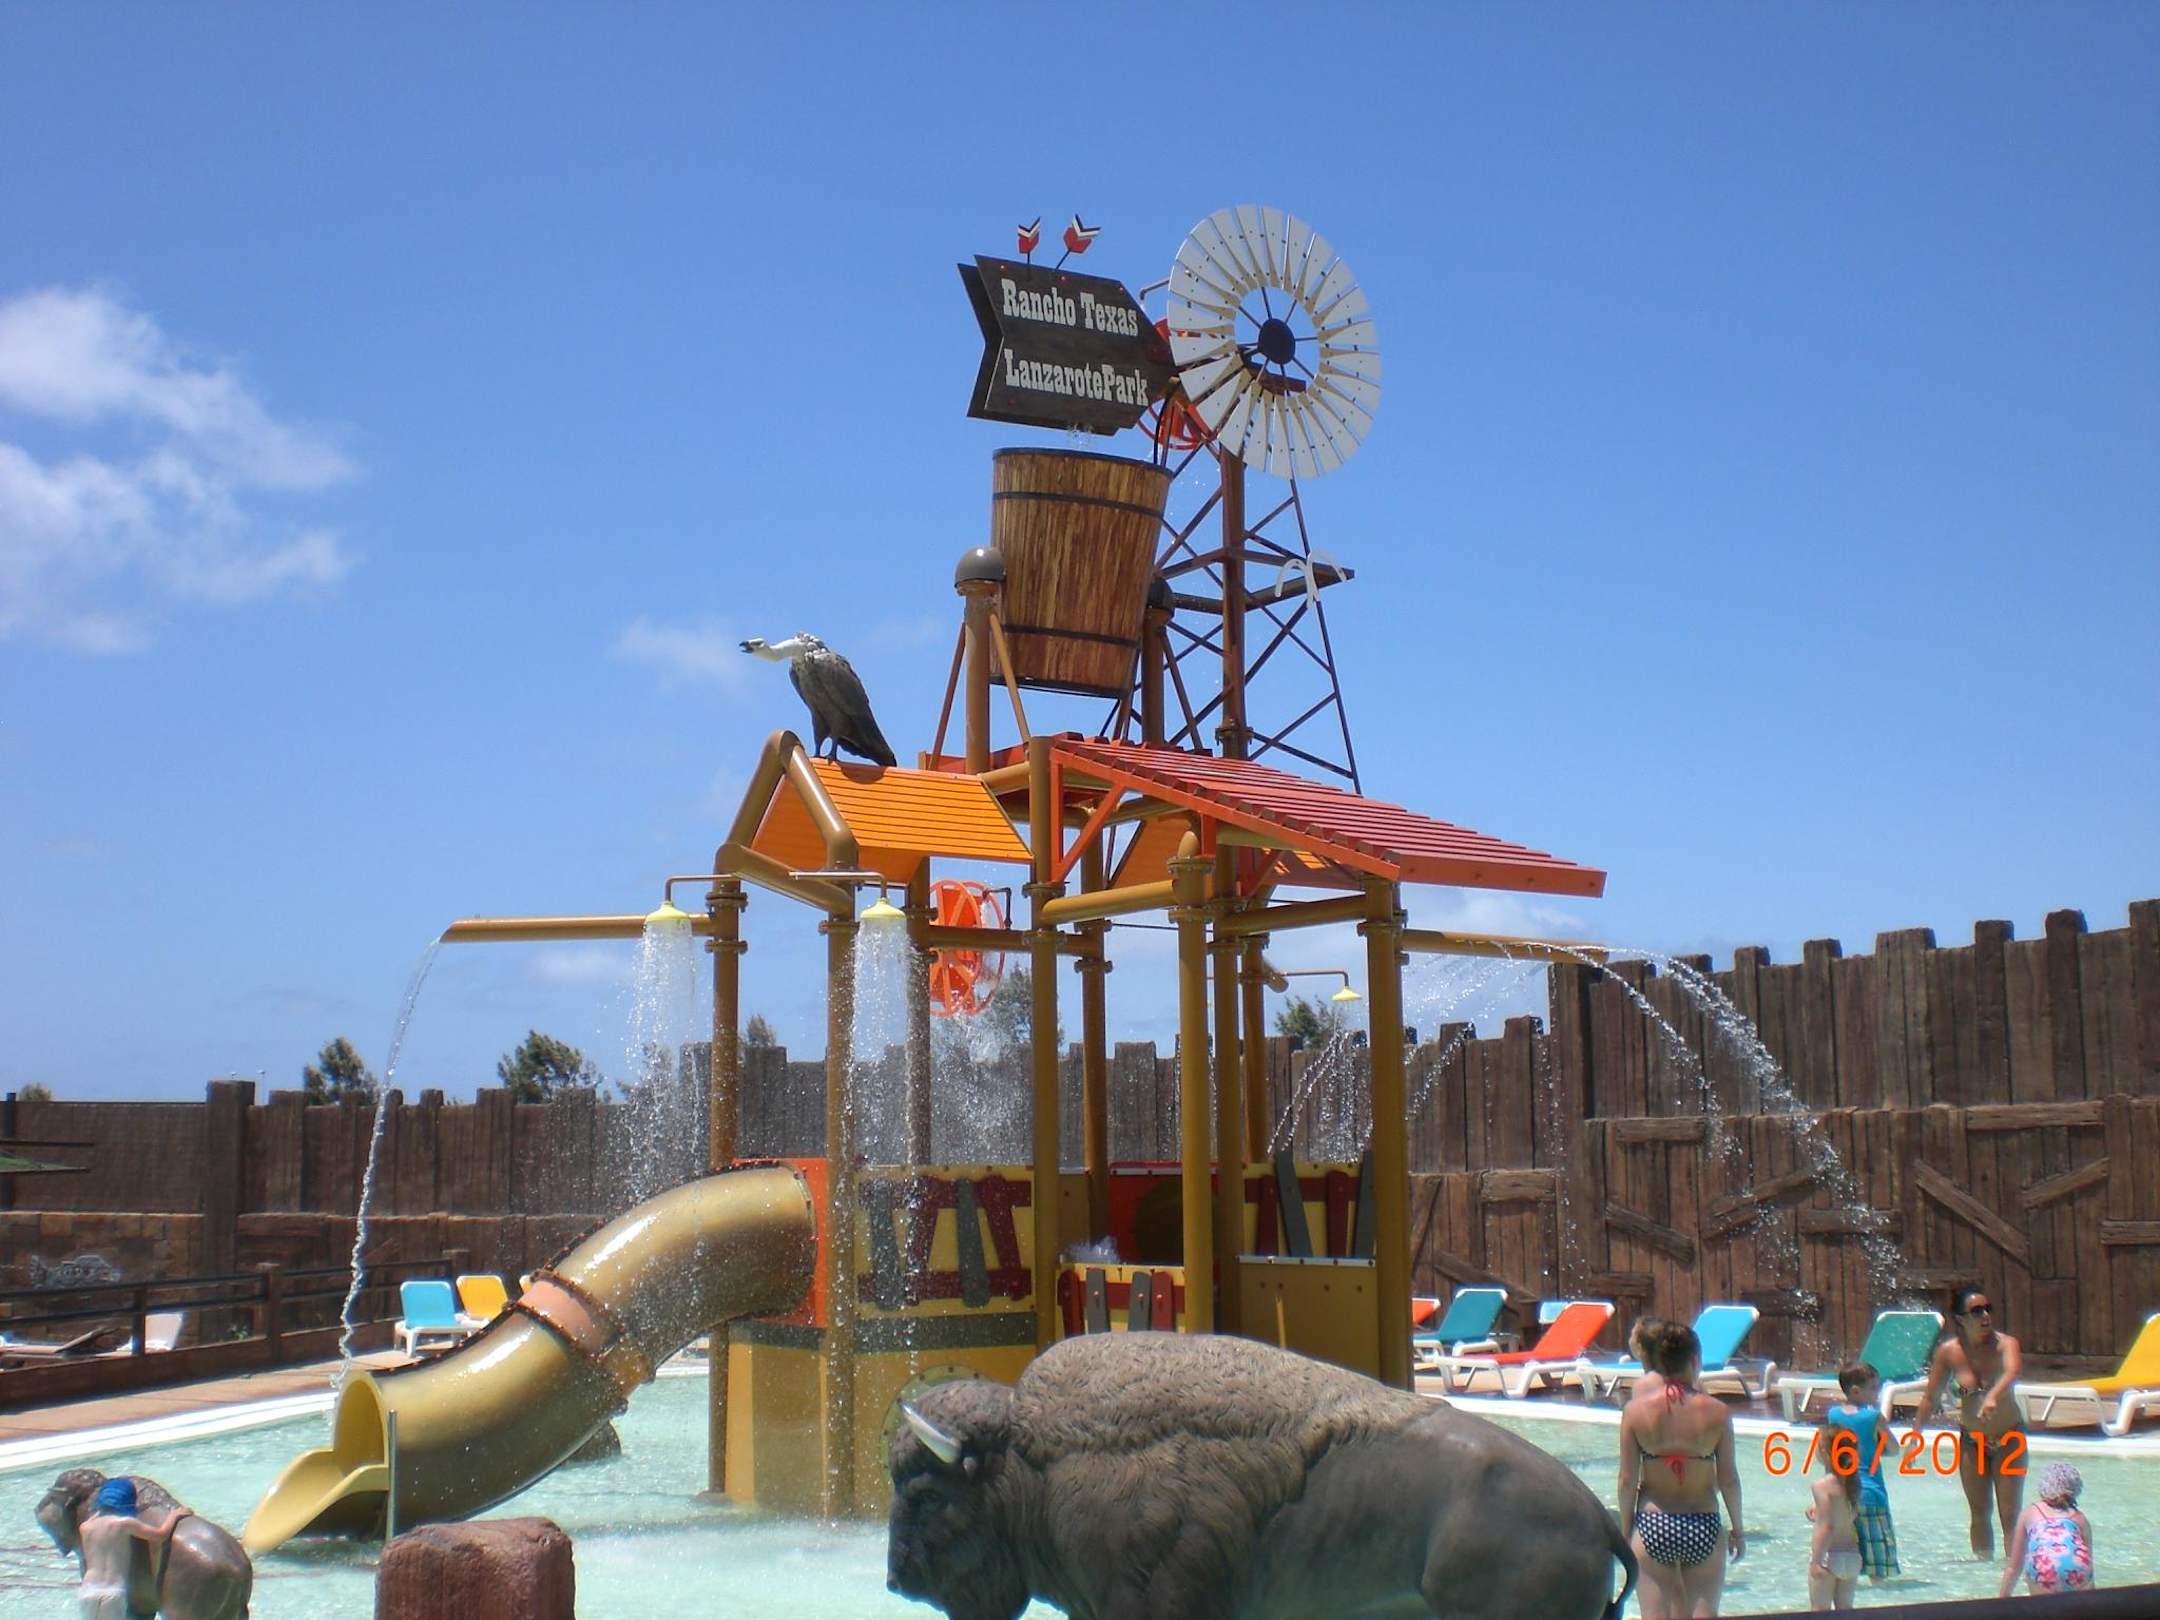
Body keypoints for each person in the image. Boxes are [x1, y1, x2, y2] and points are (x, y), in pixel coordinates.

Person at [1618, 1318, 1744, 1619]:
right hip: (1703, 1523)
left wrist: (1625, 1530)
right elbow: (1729, 1480)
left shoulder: (1635, 1412)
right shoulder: (1718, 1412)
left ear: (1658, 1361)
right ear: (1695, 1360)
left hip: (1653, 1523)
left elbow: (1626, 1480)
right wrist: (1738, 1530)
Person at [1913, 1286, 2025, 1558]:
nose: (1985, 1315)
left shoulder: (2006, 1344)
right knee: (1979, 1511)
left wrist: (1993, 1396)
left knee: (2010, 1514)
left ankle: (2013, 1570)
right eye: (1977, 1311)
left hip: (2009, 1437)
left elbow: (2012, 1372)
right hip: (1972, 1441)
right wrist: (1915, 1437)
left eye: (1988, 1309)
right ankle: (1984, 1572)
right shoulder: (1948, 1352)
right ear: (1961, 1318)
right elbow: (1930, 1397)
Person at [1820, 1362, 1899, 1582]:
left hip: (1842, 1493)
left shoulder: (1833, 1415)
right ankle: (1878, 1593)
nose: (1878, 1392)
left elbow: (1828, 1455)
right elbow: (1894, 1449)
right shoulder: (1873, 1417)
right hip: (1871, 1493)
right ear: (1855, 1391)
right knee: (1877, 1559)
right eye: (1874, 1387)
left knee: (1847, 1551)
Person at [76, 1477, 183, 1620]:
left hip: (88, 1591)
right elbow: (160, 1535)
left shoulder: (85, 1527)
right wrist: (174, 1515)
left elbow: (95, 1515)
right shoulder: (124, 1524)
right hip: (112, 1592)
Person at [2001, 1463, 2093, 1596]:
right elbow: (2088, 1560)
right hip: (2078, 1569)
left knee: (2040, 1605)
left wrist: (2001, 1600)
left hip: (2045, 1567)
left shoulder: (2030, 1512)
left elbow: (2013, 1567)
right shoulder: (2080, 1518)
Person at [1806, 1459, 1863, 1610]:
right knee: (1845, 1610)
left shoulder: (1821, 1486)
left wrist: (1816, 1561)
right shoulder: (1854, 1483)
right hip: (1851, 1555)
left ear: (1825, 1452)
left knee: (1820, 1611)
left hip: (1829, 1556)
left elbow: (1827, 1526)